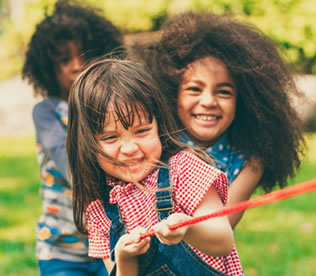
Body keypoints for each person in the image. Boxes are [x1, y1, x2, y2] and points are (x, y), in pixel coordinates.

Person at [66, 58, 244, 275]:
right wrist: (124, 258)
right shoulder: (99, 206)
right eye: (111, 137)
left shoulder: (183, 169)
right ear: (87, 144)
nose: (130, 148)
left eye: (141, 131)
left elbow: (223, 240)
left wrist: (188, 228)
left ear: (159, 125)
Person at [146, 11, 306, 228]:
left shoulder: (250, 161)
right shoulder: (156, 141)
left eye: (223, 92)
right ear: (172, 94)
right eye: (194, 89)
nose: (209, 101)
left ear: (244, 101)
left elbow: (222, 228)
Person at [21, 0, 124, 275]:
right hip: (61, 249)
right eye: (64, 60)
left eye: (85, 55)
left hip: (114, 243)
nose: (77, 66)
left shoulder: (114, 109)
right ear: (47, 68)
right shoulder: (47, 113)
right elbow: (69, 163)